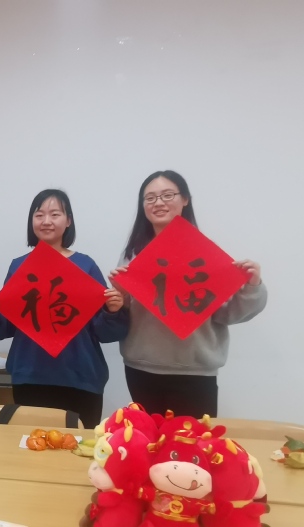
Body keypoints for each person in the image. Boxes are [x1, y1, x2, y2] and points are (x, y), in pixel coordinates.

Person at [110, 170, 267, 417]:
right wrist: (121, 297)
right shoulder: (132, 255)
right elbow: (125, 314)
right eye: (150, 198)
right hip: (141, 366)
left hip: (195, 370)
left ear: (185, 199)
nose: (158, 203)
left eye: (167, 195)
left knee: (193, 440)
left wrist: (252, 286)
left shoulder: (204, 254)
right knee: (146, 436)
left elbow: (228, 314)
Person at [0, 190, 128, 428]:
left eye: (55, 214)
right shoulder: (19, 266)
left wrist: (112, 310)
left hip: (80, 376)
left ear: (68, 221)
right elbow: (3, 329)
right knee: (30, 443)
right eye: (39, 215)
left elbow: (105, 333)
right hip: (30, 375)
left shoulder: (85, 265)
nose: (46, 221)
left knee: (79, 445)